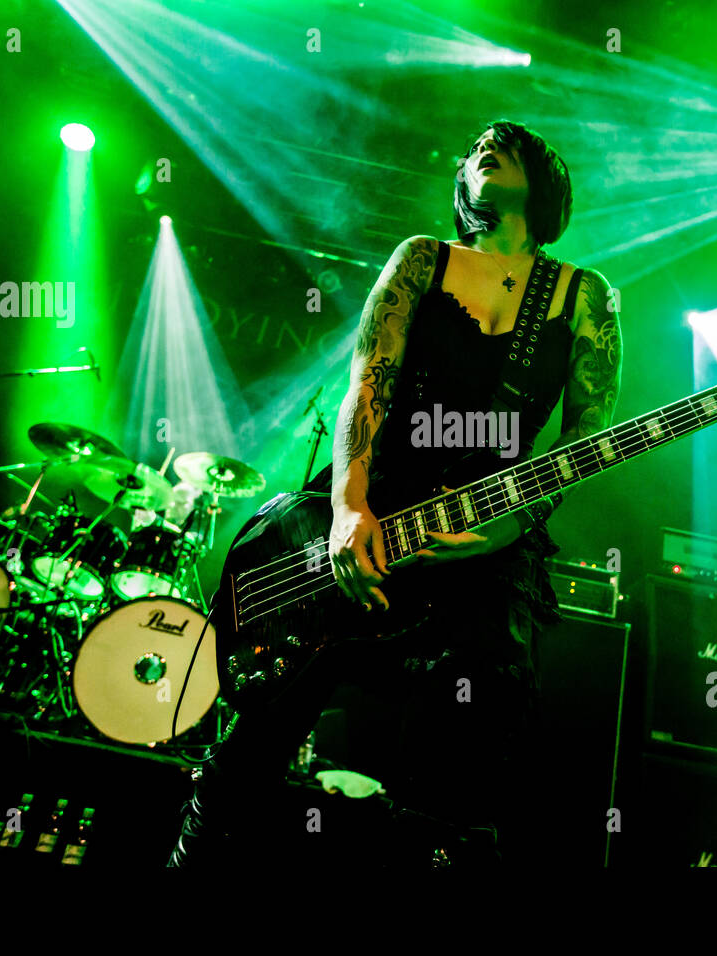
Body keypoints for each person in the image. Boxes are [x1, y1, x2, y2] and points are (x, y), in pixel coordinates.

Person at [168, 119, 622, 868]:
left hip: (488, 533)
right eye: (473, 144)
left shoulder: (587, 297)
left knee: (469, 751)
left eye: (504, 144)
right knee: (252, 745)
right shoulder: (421, 259)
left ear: (545, 179)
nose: (482, 147)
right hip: (370, 509)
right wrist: (349, 508)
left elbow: (585, 443)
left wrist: (513, 527)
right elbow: (366, 386)